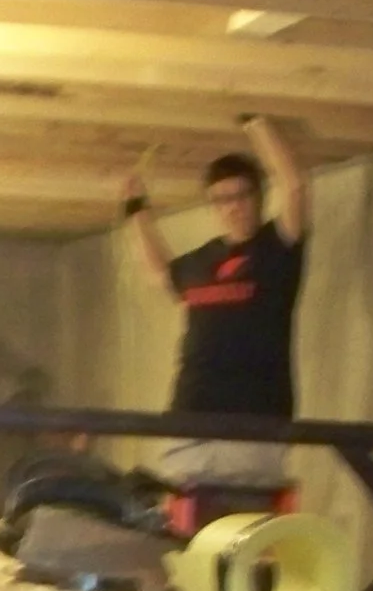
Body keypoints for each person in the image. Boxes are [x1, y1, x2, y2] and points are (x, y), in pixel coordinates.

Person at [121, 115, 310, 488]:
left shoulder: (276, 248)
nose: (232, 207)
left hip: (254, 417)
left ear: (258, 197)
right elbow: (157, 272)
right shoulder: (199, 263)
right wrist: (135, 210)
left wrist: (255, 124)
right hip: (190, 412)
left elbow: (295, 188)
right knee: (189, 524)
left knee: (244, 524)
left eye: (241, 196)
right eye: (222, 199)